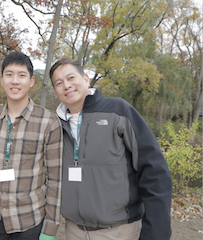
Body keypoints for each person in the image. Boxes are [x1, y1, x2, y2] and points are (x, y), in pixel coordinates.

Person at [49, 58, 172, 240]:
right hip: (73, 231)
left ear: (86, 78)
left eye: (71, 77)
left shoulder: (118, 111)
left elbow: (154, 170)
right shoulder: (54, 125)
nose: (66, 85)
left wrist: (157, 232)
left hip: (120, 232)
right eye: (59, 83)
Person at [0, 51, 63, 240]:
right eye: (9, 75)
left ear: (32, 81)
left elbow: (55, 181)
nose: (15, 81)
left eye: (21, 75)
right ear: (2, 80)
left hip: (30, 220)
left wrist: (50, 229)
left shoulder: (49, 122)